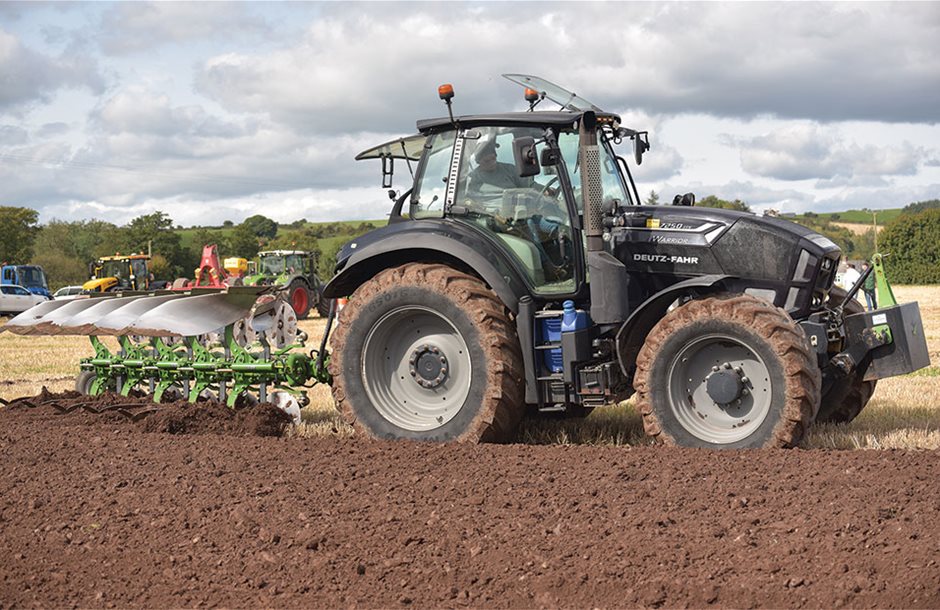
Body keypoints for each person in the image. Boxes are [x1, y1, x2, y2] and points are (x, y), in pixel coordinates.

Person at [466, 140, 533, 195]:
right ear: (478, 162)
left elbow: (529, 184)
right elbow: (471, 198)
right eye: (487, 161)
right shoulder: (474, 178)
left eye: (493, 159)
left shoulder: (510, 169)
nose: (492, 163)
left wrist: (542, 192)